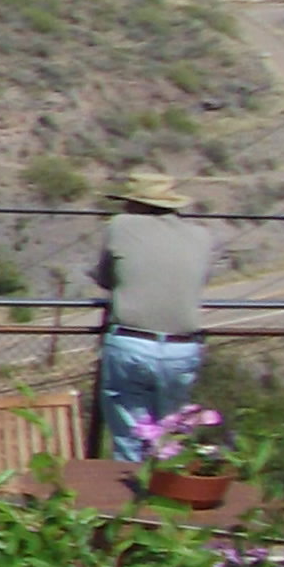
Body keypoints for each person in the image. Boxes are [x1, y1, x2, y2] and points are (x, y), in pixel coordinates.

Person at [94, 177, 212, 460]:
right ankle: (167, 481)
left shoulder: (120, 226)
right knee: (171, 435)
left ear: (138, 204)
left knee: (130, 439)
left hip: (132, 342)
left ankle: (132, 486)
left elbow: (105, 277)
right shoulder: (202, 235)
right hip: (182, 348)